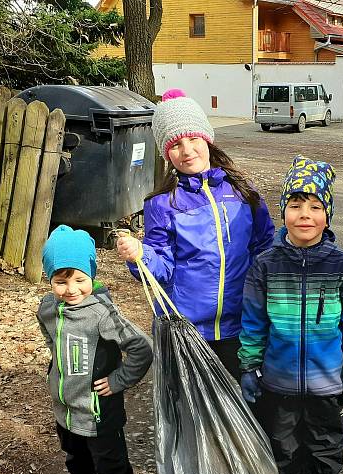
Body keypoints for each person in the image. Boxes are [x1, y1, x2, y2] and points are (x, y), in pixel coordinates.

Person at [238, 156, 343, 474]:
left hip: (326, 384)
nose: (305, 215)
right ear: (284, 211)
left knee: (324, 446)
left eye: (315, 207)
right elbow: (253, 322)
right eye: (295, 205)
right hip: (277, 381)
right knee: (278, 443)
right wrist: (248, 367)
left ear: (327, 214)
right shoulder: (265, 266)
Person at [115, 89, 274, 380]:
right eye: (175, 145)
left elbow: (265, 246)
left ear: (207, 139)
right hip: (187, 330)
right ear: (166, 153)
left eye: (193, 139)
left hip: (242, 326)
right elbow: (161, 269)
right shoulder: (162, 204)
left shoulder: (243, 191)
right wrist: (141, 255)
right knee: (193, 413)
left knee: (244, 407)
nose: (186, 151)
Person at [37, 225, 154, 474]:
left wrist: (118, 381)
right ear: (49, 280)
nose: (70, 289)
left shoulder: (102, 313)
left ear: (91, 274)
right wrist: (55, 371)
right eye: (60, 281)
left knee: (113, 468)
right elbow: (50, 338)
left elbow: (141, 349)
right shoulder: (48, 307)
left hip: (99, 410)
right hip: (65, 404)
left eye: (79, 279)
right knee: (73, 448)